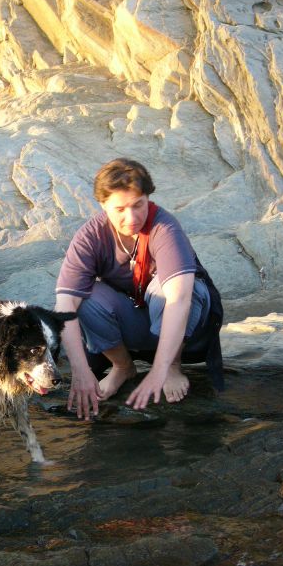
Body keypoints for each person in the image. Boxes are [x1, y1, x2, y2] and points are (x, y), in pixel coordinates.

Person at [55, 158, 214, 420]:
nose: (131, 218)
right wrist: (80, 371)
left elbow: (180, 299)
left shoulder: (164, 227)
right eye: (120, 209)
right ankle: (122, 366)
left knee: (170, 287)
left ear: (148, 198)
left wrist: (161, 369)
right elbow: (64, 307)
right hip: (137, 321)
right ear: (103, 204)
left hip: (187, 325)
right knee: (85, 296)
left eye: (138, 205)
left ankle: (173, 365)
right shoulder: (90, 236)